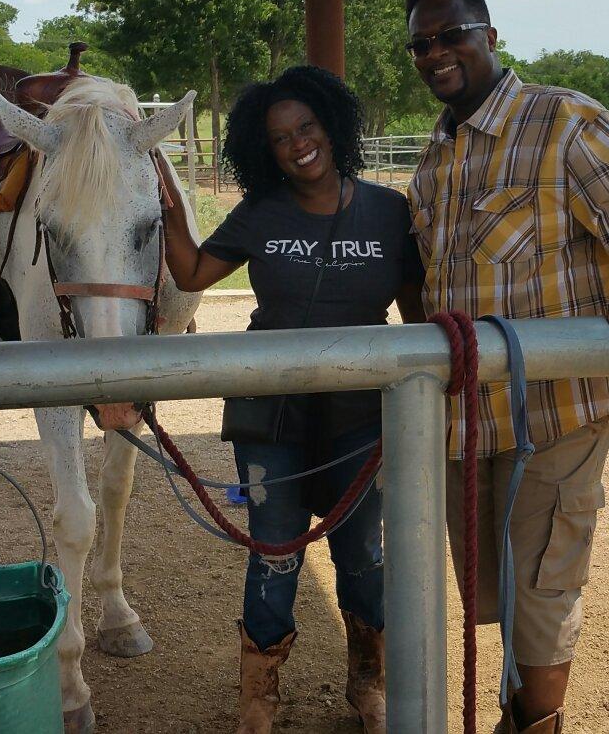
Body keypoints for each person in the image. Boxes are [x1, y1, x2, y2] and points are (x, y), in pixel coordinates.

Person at [403, 0, 609, 734]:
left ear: (490, 36)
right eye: (421, 44)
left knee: (542, 582)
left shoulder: (562, 121)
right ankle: (514, 711)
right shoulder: (435, 157)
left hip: (558, 410)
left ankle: (535, 726)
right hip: (471, 415)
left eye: (451, 35)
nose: (436, 54)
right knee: (494, 587)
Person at [160, 64, 426, 734]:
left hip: (362, 416)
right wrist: (165, 206)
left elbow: (421, 320)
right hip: (270, 414)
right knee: (274, 554)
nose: (296, 144)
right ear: (264, 149)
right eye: (279, 138)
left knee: (365, 559)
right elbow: (192, 272)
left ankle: (369, 684)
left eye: (306, 127)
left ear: (332, 127)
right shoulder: (260, 212)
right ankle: (259, 700)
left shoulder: (390, 212)